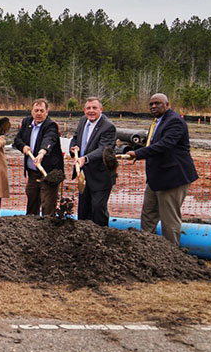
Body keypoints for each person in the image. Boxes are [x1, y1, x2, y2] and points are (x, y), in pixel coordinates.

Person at [127, 93, 198, 247]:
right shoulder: (157, 121)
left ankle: (172, 254)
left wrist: (138, 154)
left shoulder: (175, 122)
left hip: (173, 178)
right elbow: (153, 143)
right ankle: (148, 249)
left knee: (169, 219)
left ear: (167, 104)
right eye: (151, 104)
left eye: (157, 103)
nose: (153, 106)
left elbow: (164, 145)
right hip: (156, 178)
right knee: (148, 216)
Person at [68, 96, 117, 227]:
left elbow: (103, 149)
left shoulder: (108, 127)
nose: (91, 111)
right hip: (84, 176)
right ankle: (84, 239)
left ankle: (101, 237)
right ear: (84, 110)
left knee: (98, 209)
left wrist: (85, 158)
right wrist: (73, 148)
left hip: (101, 176)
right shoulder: (83, 120)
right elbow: (75, 138)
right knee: (83, 210)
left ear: (101, 109)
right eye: (88, 108)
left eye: (94, 108)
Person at [11, 98, 64, 216]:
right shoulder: (26, 122)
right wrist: (24, 146)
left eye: (41, 110)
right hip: (33, 173)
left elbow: (49, 139)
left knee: (48, 205)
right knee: (32, 202)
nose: (39, 113)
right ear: (32, 111)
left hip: (49, 173)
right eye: (36, 110)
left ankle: (48, 228)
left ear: (47, 112)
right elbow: (17, 140)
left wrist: (42, 152)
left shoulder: (51, 126)